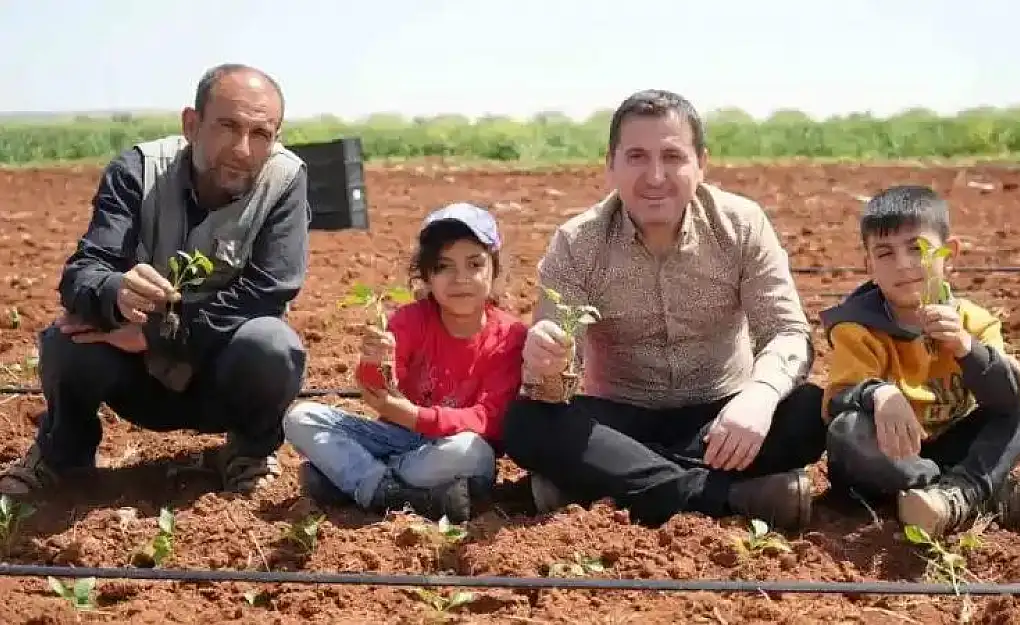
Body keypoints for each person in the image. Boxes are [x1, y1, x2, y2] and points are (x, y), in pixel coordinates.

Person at [500, 90, 827, 531]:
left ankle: (602, 485)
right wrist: (549, 364)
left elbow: (788, 332)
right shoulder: (577, 243)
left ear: (701, 164)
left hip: (724, 420)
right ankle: (726, 498)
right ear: (611, 166)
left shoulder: (742, 224)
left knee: (811, 411)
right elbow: (554, 383)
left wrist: (759, 396)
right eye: (636, 157)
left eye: (672, 156)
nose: (655, 176)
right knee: (528, 423)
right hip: (621, 421)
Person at [0, 63, 309, 497]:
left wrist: (159, 333)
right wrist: (115, 292)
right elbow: (84, 271)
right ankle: (62, 453)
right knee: (66, 339)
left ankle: (250, 452)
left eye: (261, 133)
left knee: (273, 345)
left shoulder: (285, 180)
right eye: (227, 126)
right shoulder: (138, 172)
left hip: (222, 371)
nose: (243, 148)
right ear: (191, 124)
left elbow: (269, 289)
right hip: (136, 379)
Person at [819, 184, 1020, 537]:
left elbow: (1007, 398)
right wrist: (879, 394)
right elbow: (837, 399)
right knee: (848, 431)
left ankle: (954, 497)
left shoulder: (974, 322)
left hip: (952, 447)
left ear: (950, 253)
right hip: (891, 458)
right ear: (869, 265)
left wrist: (965, 347)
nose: (903, 265)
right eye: (885, 253)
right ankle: (981, 496)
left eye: (918, 249)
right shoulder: (856, 327)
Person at [283, 203, 528, 523]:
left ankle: (356, 481)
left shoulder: (510, 335)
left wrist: (415, 416)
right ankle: (399, 494)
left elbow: (488, 420)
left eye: (474, 264)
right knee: (301, 417)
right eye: (444, 266)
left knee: (473, 452)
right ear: (426, 276)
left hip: (449, 449)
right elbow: (379, 389)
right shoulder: (411, 320)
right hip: (396, 437)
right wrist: (373, 362)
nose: (461, 279)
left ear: (494, 270)